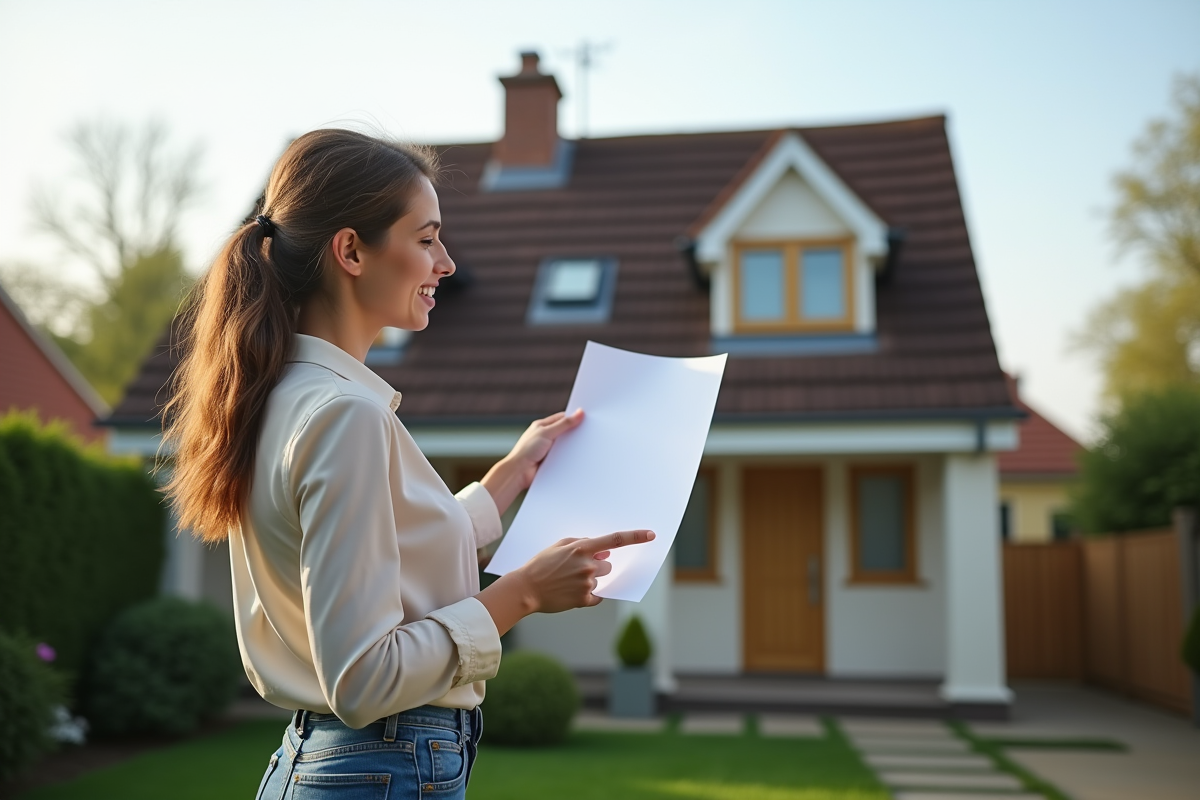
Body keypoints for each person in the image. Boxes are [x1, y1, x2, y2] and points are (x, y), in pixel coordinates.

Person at [162, 128, 654, 799]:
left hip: (333, 760)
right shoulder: (347, 417)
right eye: (426, 239)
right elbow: (364, 678)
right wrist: (523, 594)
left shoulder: (285, 396)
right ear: (352, 251)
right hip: (378, 765)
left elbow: (389, 546)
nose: (445, 264)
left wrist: (509, 477)